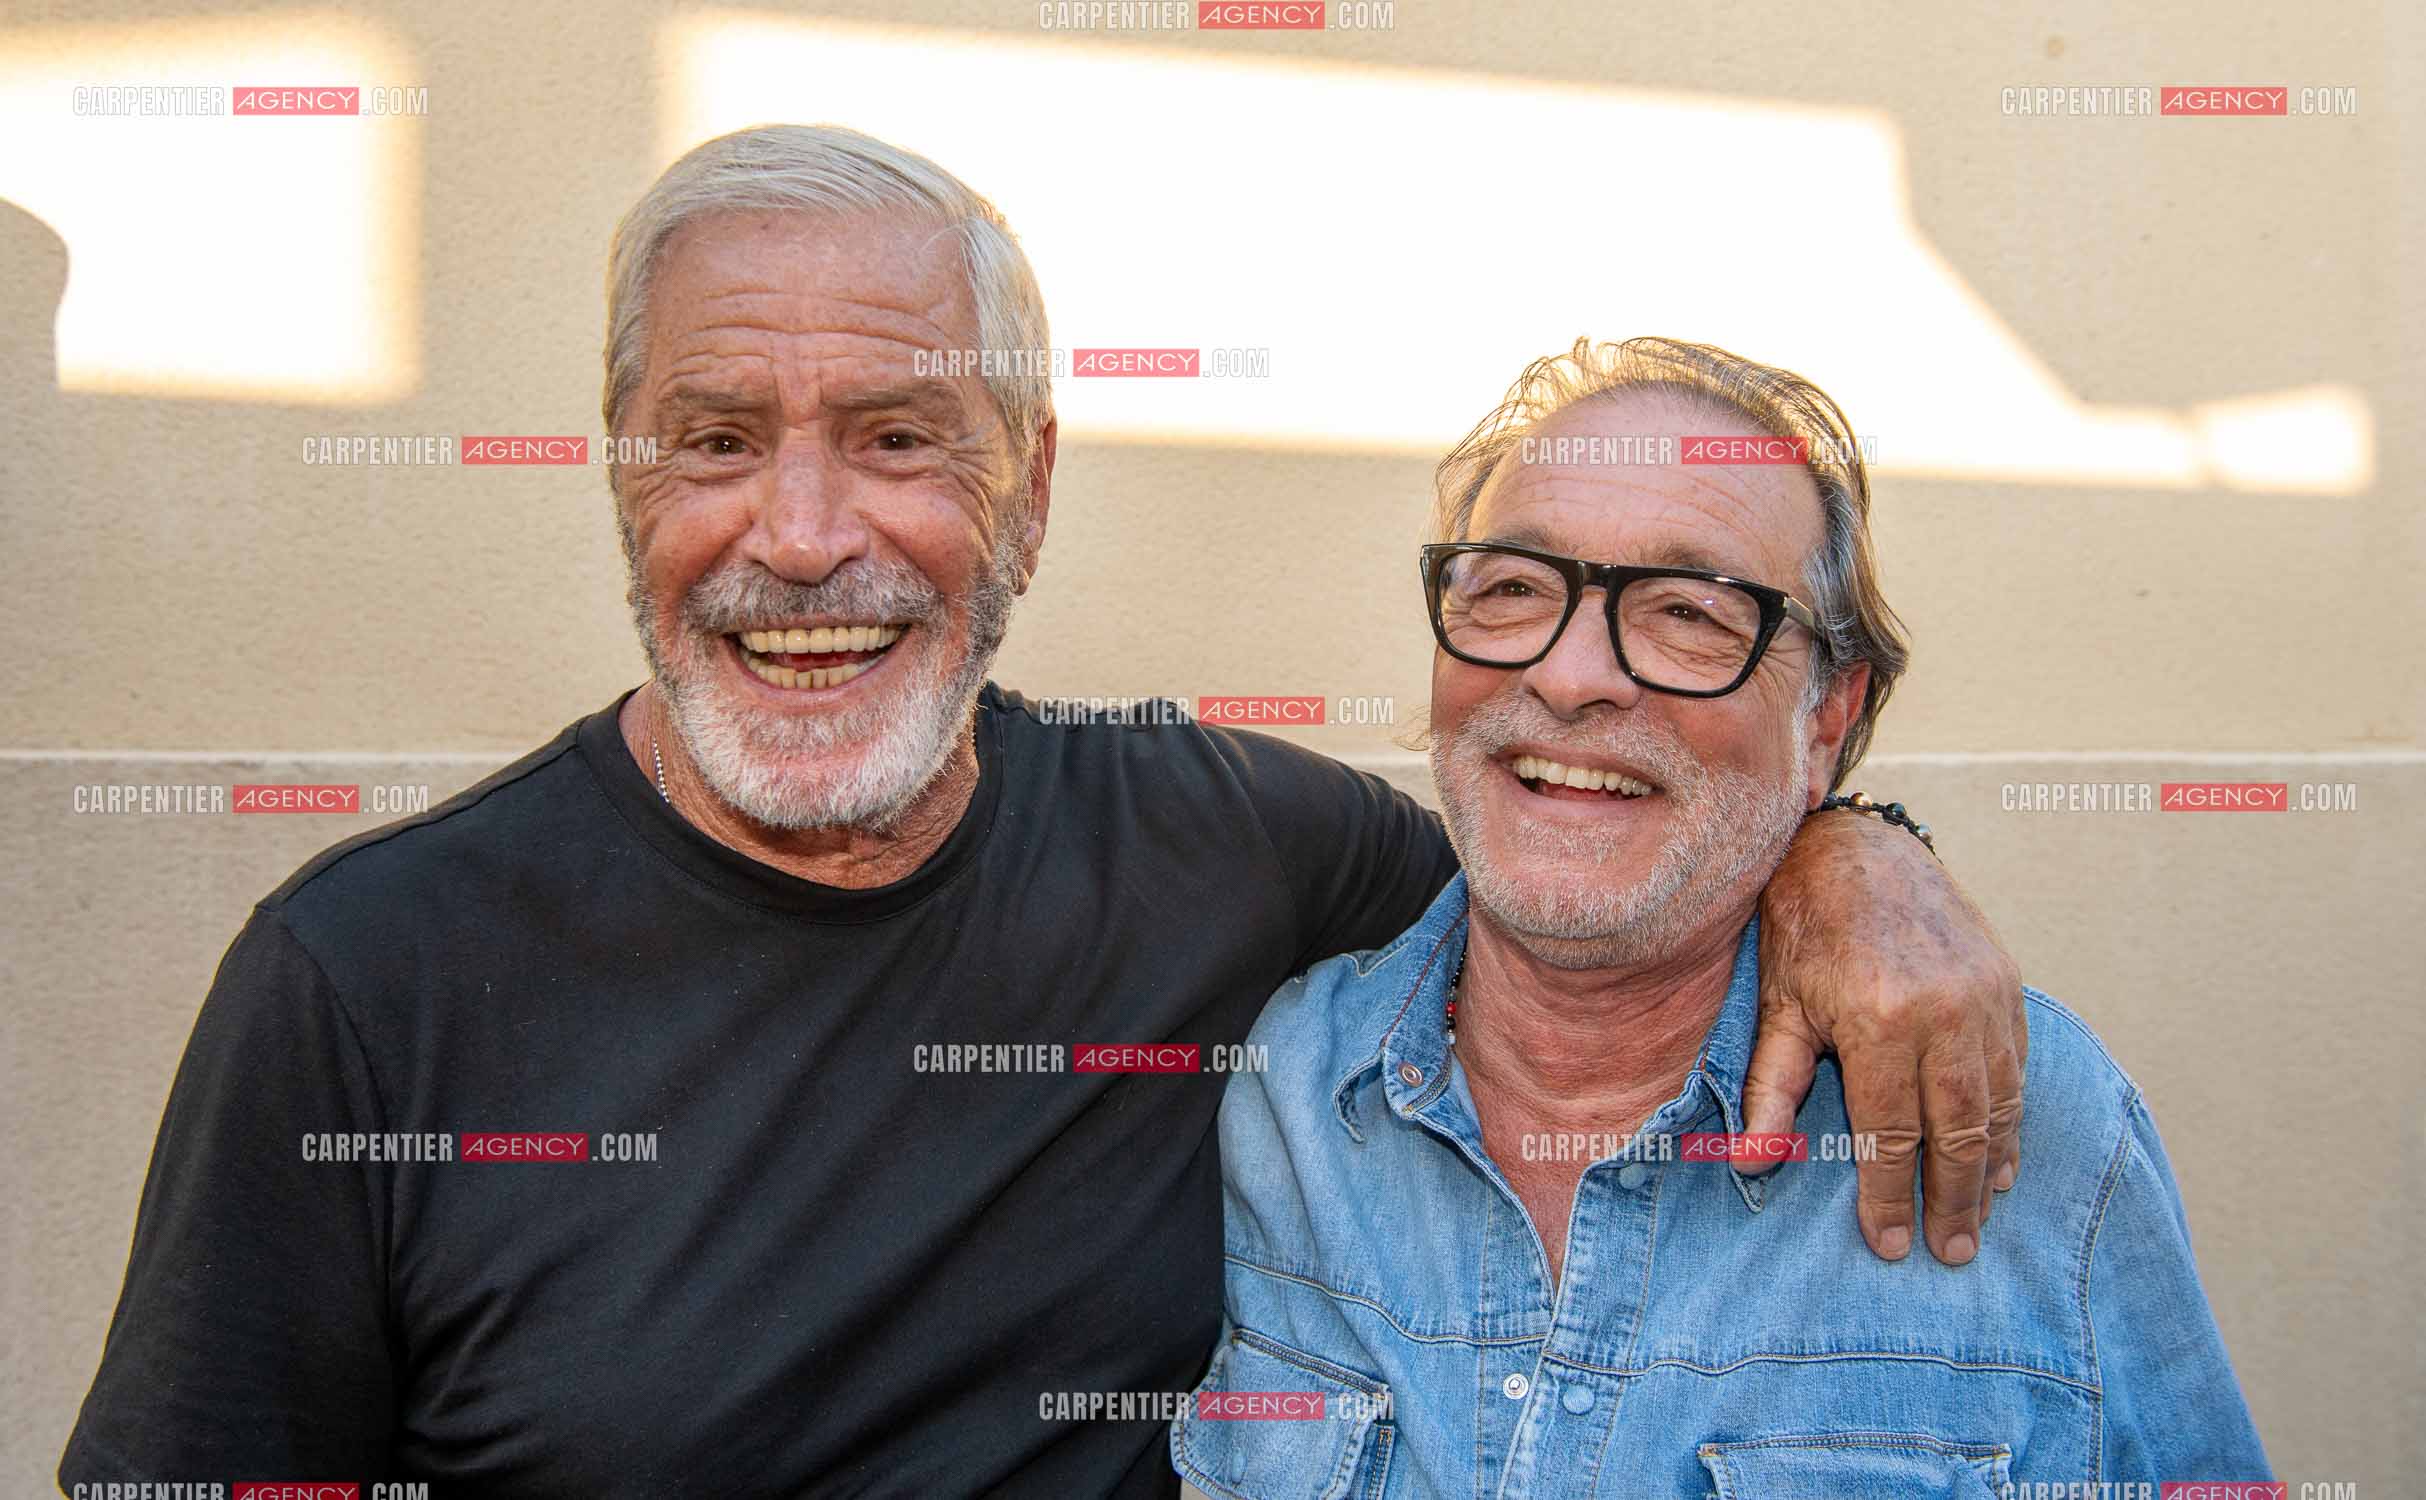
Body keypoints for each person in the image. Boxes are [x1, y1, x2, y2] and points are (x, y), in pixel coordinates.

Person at [62, 130, 2026, 1499]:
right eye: (718, 441)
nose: (805, 535)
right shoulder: (368, 980)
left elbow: (1596, 838)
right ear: (619, 479)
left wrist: (1859, 854)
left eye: (904, 439)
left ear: (1031, 488)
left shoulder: (1231, 854)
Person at [1181, 337, 2268, 1497]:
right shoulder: (1280, 1087)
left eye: (1687, 613)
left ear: (1823, 719)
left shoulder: (2021, 1116)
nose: (1568, 674)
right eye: (1509, 589)